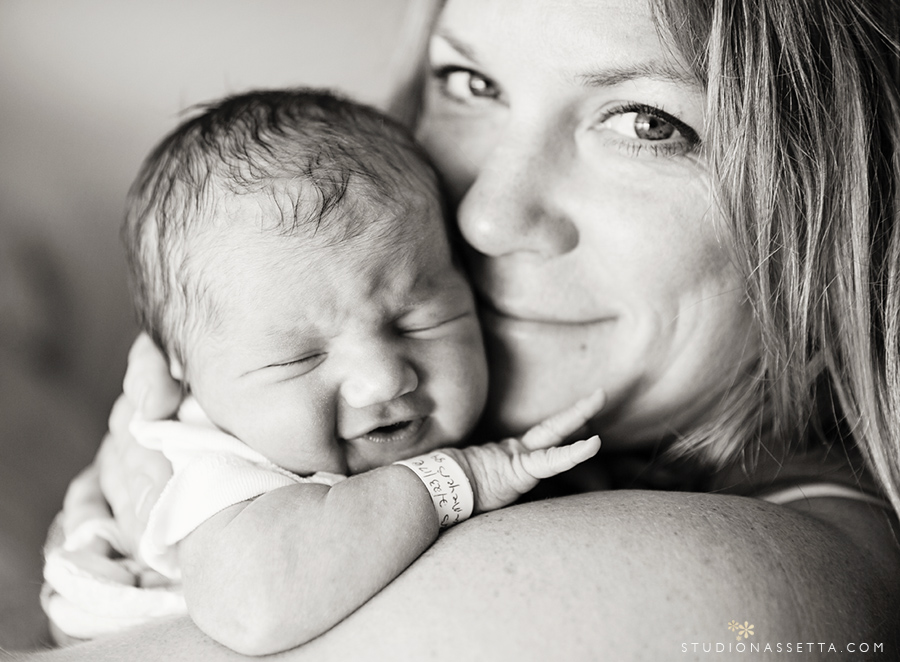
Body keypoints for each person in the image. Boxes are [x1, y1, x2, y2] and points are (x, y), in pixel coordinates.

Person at [12, 0, 900, 659]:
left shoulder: (757, 594)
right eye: (470, 82)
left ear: (833, 203)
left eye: (648, 122)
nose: (484, 214)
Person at [40, 89, 602, 655]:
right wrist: (462, 480)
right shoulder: (217, 468)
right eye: (299, 358)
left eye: (418, 321)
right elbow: (251, 608)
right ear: (182, 375)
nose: (382, 379)